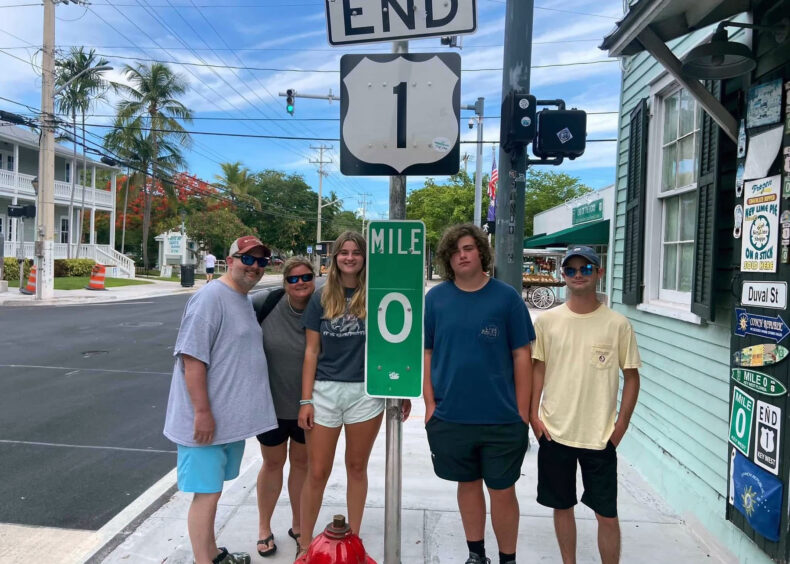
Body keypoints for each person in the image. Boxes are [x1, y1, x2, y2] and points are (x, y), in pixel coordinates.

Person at [423, 224, 534, 564]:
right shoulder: (435, 299)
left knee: (502, 490)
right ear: (447, 258)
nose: (462, 255)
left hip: (501, 418)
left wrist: (523, 412)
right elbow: (427, 352)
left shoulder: (506, 298)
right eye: (455, 251)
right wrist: (429, 404)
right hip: (451, 416)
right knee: (467, 485)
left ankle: (507, 558)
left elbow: (522, 355)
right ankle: (476, 554)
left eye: (468, 248)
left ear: (481, 252)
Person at [163, 235, 276, 564]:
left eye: (261, 261)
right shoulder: (210, 297)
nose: (254, 267)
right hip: (205, 422)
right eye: (247, 259)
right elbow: (192, 358)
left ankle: (212, 554)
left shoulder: (241, 299)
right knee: (207, 494)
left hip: (227, 421)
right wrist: (202, 412)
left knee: (213, 490)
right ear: (229, 261)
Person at [297, 231, 410, 558]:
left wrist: (400, 388)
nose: (350, 257)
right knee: (317, 472)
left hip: (365, 392)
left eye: (356, 252)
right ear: (335, 258)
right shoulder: (321, 296)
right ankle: (304, 546)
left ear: (364, 258)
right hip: (325, 391)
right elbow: (311, 351)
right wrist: (306, 400)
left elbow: (393, 344)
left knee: (357, 467)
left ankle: (353, 545)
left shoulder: (377, 294)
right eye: (344, 252)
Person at [530, 246, 641, 564]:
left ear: (599, 273)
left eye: (586, 269)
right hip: (555, 432)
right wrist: (533, 417)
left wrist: (621, 425)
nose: (578, 275)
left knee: (607, 514)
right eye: (571, 270)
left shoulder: (617, 324)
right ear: (563, 275)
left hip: (600, 436)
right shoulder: (547, 322)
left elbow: (631, 377)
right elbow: (538, 370)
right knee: (562, 506)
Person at [251, 257, 316, 558]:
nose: (300, 282)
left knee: (301, 465)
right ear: (284, 282)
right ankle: (264, 527)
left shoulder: (322, 306)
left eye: (306, 277)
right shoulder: (265, 303)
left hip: (307, 406)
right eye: (293, 278)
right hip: (270, 405)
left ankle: (298, 524)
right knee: (273, 463)